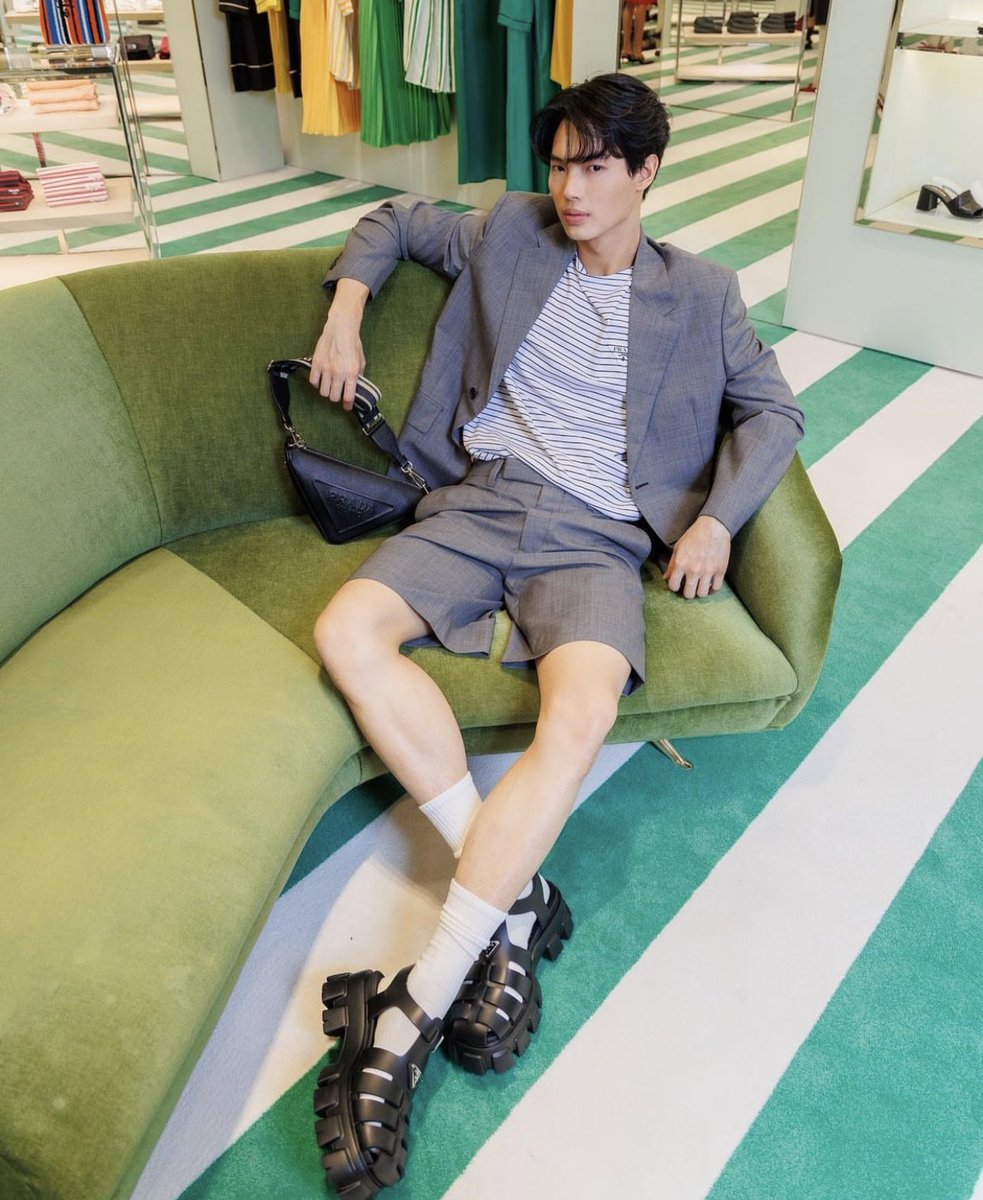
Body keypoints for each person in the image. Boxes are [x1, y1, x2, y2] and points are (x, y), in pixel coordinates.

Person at [308, 71, 803, 1197]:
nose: (570, 188)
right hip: (478, 502)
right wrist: (344, 311)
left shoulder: (705, 294)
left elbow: (774, 410)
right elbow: (392, 219)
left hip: (596, 541)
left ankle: (412, 1005)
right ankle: (517, 900)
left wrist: (716, 520)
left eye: (595, 166)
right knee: (347, 630)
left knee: (576, 718)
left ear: (645, 172)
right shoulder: (509, 233)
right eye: (559, 163)